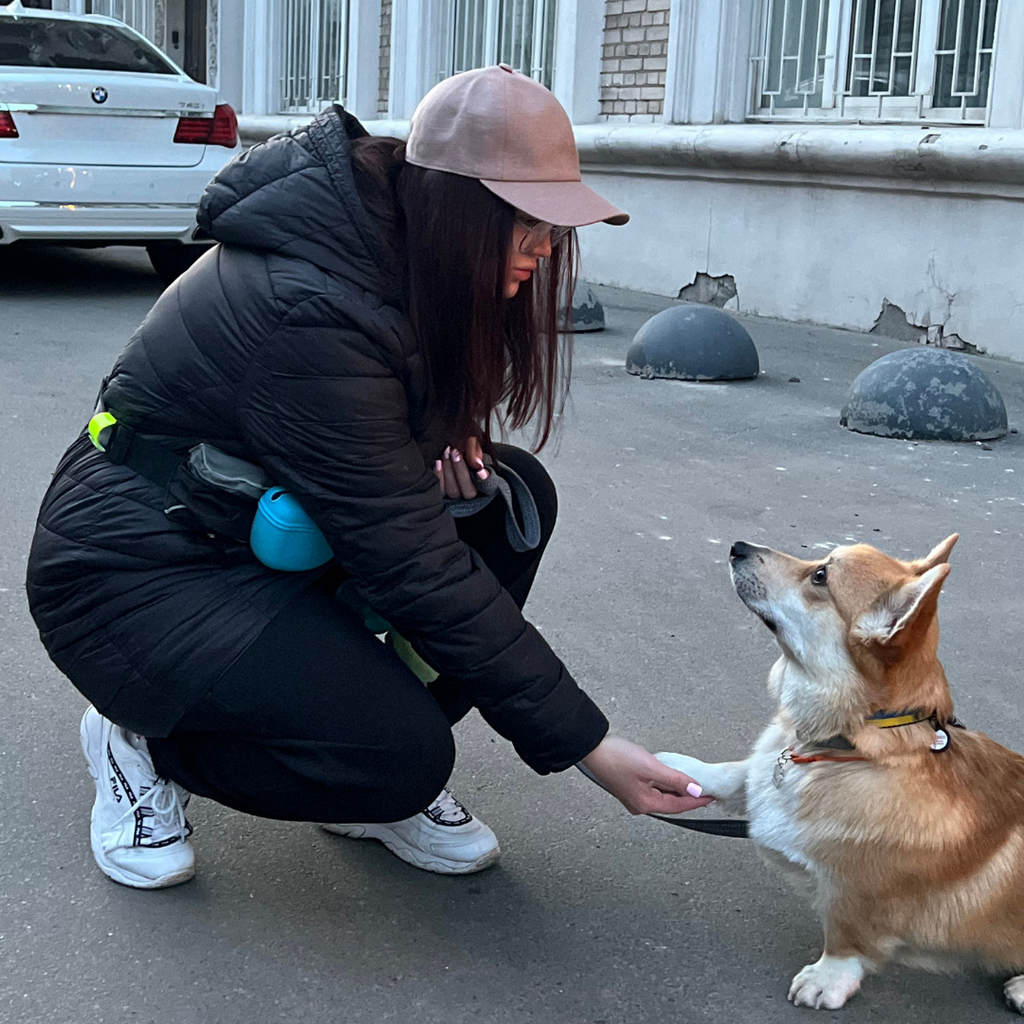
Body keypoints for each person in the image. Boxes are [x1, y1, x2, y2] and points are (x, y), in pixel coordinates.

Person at [26, 64, 710, 890]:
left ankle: (362, 745)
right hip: (136, 574)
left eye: (554, 228)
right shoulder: (312, 306)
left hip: (249, 536)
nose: (544, 247)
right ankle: (139, 737)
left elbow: (386, 481)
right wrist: (589, 746)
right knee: (402, 758)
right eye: (528, 223)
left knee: (509, 501)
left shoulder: (401, 254)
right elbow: (411, 563)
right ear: (460, 212)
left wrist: (434, 451)